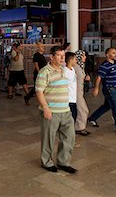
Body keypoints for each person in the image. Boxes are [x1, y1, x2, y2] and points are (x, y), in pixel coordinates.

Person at [35, 46, 76, 174]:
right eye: (59, 55)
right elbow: (39, 91)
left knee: (69, 137)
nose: (62, 58)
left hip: (65, 110)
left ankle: (63, 162)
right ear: (51, 57)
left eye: (63, 55)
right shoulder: (44, 72)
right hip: (51, 111)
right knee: (48, 139)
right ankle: (46, 162)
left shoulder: (64, 70)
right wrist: (46, 108)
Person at [88, 47, 116, 135]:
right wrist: (96, 88)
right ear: (107, 55)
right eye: (113, 53)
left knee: (107, 106)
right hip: (109, 89)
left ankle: (92, 118)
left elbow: (115, 76)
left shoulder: (114, 64)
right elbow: (99, 77)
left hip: (114, 87)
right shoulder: (105, 65)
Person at [74, 50, 91, 136]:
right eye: (83, 56)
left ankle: (80, 127)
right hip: (76, 92)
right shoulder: (76, 67)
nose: (85, 57)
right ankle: (79, 128)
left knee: (82, 110)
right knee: (83, 110)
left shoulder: (81, 66)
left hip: (80, 92)